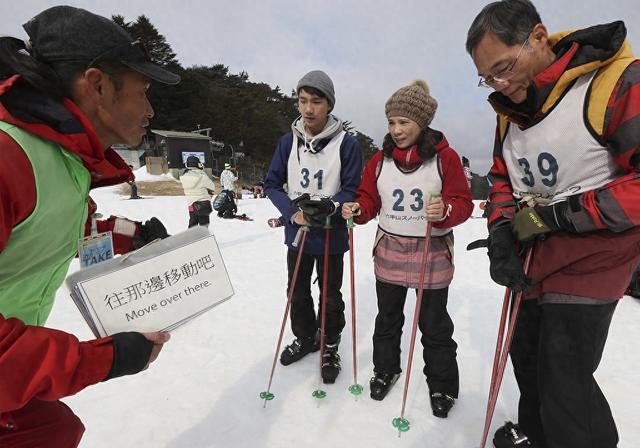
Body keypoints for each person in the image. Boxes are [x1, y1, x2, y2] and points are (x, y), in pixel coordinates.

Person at [0, 6, 180, 447]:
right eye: (143, 92)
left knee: (54, 431)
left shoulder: (61, 155)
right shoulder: (7, 158)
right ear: (97, 85)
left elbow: (67, 225)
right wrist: (99, 359)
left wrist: (131, 235)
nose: (151, 110)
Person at [465, 0, 640, 446]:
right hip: (535, 259)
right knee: (526, 362)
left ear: (539, 37)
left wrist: (564, 214)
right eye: (488, 77)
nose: (499, 84)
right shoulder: (511, 112)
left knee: (563, 377)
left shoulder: (616, 82)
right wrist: (502, 230)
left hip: (594, 258)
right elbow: (504, 176)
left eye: (504, 66)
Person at [342, 81, 472, 416]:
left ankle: (442, 385)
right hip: (391, 249)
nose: (397, 130)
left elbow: (463, 201)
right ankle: (386, 368)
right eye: (392, 123)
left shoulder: (446, 158)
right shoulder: (380, 160)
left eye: (405, 123)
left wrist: (446, 211)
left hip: (432, 251)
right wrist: (358, 209)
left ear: (422, 123)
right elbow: (369, 197)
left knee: (434, 324)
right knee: (387, 319)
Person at [264, 70, 362, 384]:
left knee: (330, 295)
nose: (308, 109)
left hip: (331, 233)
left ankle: (330, 343)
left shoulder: (347, 144)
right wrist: (292, 213)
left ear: (329, 104)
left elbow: (352, 188)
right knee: (296, 291)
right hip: (298, 232)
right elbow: (272, 184)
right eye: (302, 101)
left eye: (316, 102)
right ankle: (305, 336)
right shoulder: (287, 141)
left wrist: (330, 205)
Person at [180, 155, 216, 227]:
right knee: (204, 226)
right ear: (198, 164)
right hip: (202, 205)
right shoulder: (202, 176)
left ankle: (191, 237)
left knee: (192, 223)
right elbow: (212, 187)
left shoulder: (183, 177)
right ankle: (204, 237)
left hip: (190, 204)